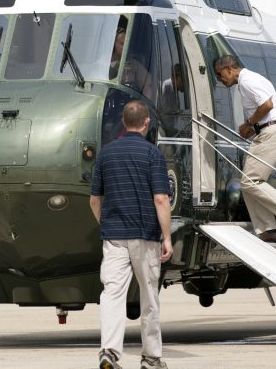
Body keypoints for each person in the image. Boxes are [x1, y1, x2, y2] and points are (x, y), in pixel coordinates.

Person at [89, 100, 173, 369]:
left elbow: (94, 200)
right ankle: (150, 357)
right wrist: (167, 238)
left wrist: (107, 223)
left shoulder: (105, 154)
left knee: (112, 294)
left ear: (124, 122)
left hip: (113, 236)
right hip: (145, 235)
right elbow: (160, 199)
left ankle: (109, 353)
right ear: (146, 123)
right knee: (149, 296)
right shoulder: (152, 155)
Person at [213, 55, 276, 243]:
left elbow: (267, 105)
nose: (220, 79)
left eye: (220, 74)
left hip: (271, 132)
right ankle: (268, 230)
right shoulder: (250, 80)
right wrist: (255, 128)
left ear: (229, 69)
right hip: (271, 129)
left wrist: (249, 122)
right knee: (249, 183)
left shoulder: (247, 81)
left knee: (249, 181)